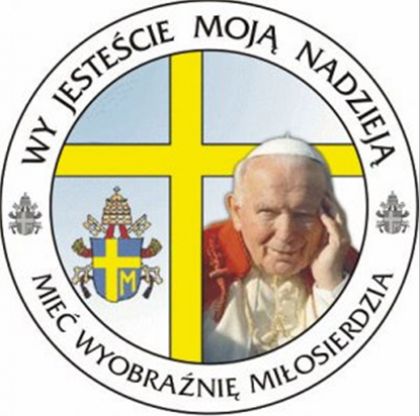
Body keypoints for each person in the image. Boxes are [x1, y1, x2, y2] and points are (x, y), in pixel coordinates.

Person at [203, 136, 358, 362]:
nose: (286, 233)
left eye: (303, 214)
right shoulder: (197, 262)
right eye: (268, 212)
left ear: (328, 214)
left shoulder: (353, 267)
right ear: (236, 211)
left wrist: (331, 282)